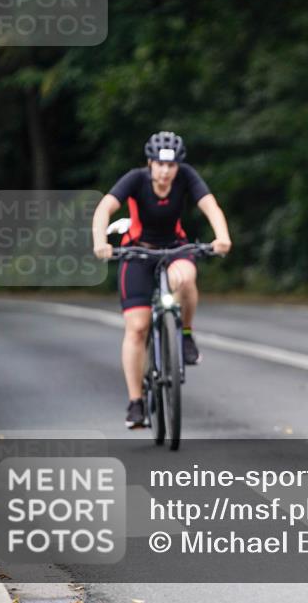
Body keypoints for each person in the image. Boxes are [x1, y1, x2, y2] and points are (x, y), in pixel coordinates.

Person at [91, 131, 232, 429]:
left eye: (171, 166)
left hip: (175, 249)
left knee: (185, 278)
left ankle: (185, 333)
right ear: (150, 163)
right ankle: (136, 402)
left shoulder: (186, 178)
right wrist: (100, 242)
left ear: (178, 166)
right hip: (138, 252)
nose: (165, 172)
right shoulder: (135, 179)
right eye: (160, 165)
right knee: (138, 327)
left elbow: (210, 206)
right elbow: (105, 207)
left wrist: (222, 237)